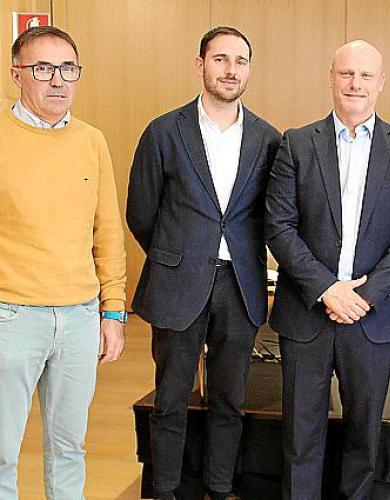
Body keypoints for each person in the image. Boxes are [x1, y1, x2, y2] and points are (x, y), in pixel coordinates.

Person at [265, 39, 390, 499]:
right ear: (331, 78)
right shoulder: (297, 143)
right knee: (300, 437)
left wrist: (363, 295)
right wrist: (327, 289)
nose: (355, 83)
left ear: (381, 83)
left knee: (363, 437)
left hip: (371, 319)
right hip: (307, 313)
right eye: (346, 73)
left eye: (365, 75)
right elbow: (278, 226)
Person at [126, 26, 280, 500]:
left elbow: (271, 215)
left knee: (229, 399)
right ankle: (166, 490)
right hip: (178, 283)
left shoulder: (268, 139)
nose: (230, 70)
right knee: (171, 399)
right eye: (220, 59)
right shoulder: (163, 131)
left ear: (249, 70)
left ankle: (219, 488)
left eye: (240, 61)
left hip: (240, 285)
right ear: (200, 65)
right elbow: (141, 212)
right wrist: (178, 255)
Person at [0, 26, 127, 499]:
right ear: (17, 75)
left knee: (70, 447)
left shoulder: (92, 141)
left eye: (67, 69)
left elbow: (107, 233)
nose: (57, 80)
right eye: (43, 69)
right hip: (11, 316)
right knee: (2, 451)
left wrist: (113, 312)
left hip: (79, 317)